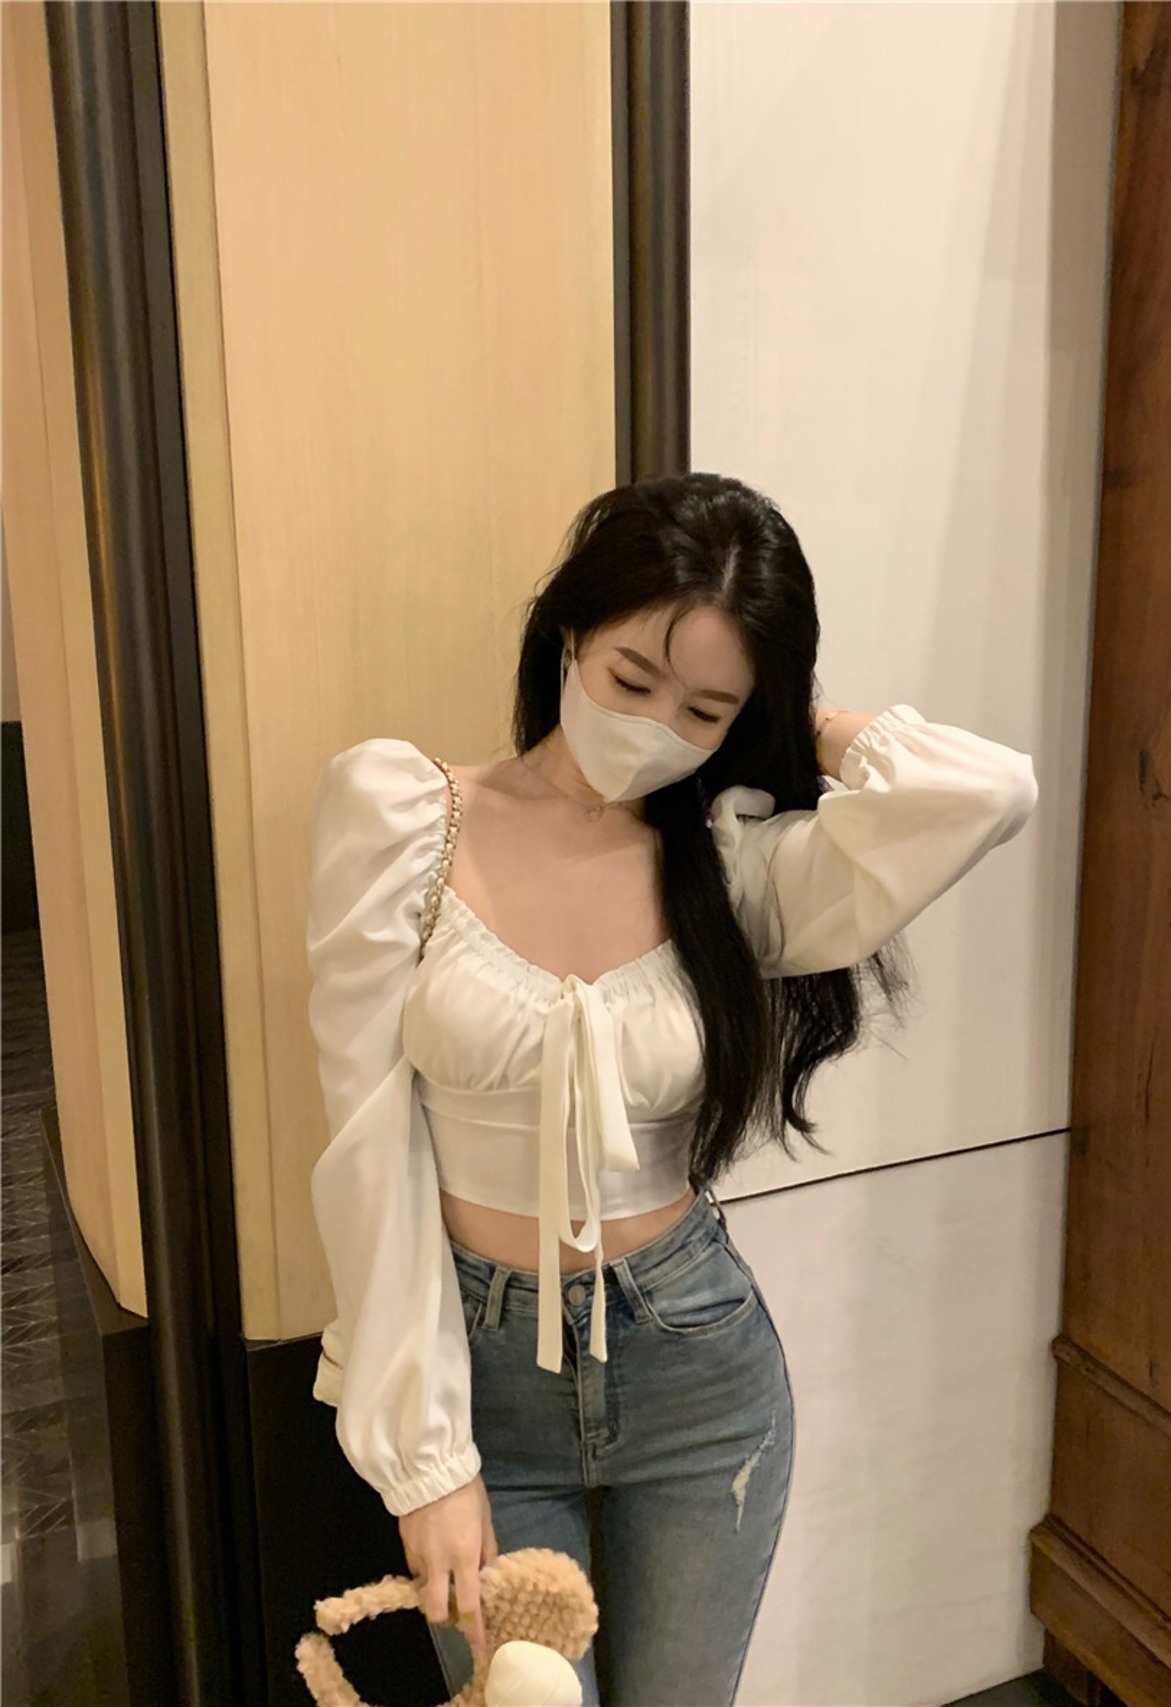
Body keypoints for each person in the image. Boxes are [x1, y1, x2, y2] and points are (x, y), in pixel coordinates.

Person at [304, 471, 1038, 1706]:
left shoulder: (736, 868)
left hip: (695, 1364)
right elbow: (366, 1145)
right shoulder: (404, 819)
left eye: (703, 708)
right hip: (481, 1378)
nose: (654, 726)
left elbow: (986, 794)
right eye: (631, 678)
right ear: (568, 633)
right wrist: (425, 1462)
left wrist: (798, 716)